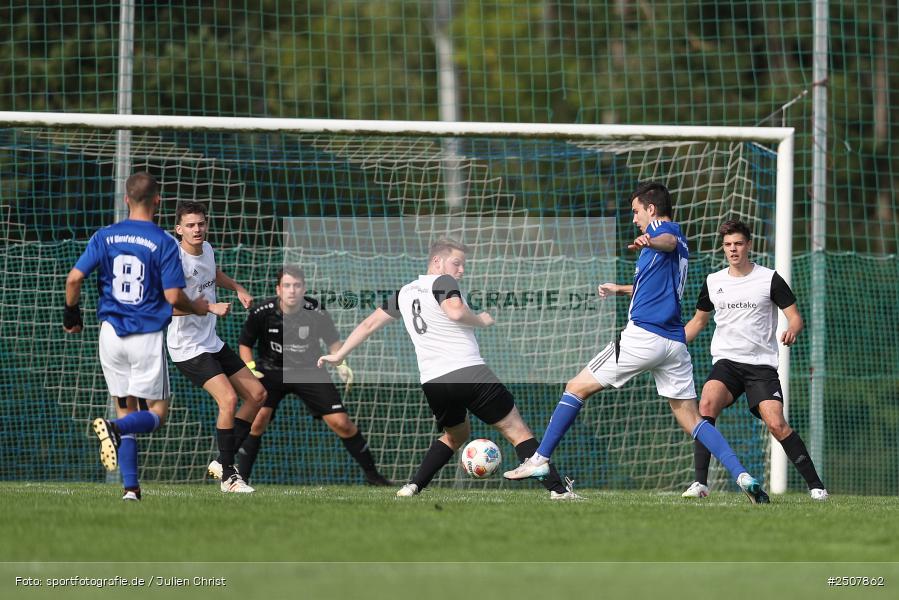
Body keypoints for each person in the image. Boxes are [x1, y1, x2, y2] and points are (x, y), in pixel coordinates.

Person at [504, 182, 770, 504]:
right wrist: (621, 288)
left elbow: (667, 241)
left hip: (644, 336)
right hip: (673, 344)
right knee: (693, 420)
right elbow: (654, 283)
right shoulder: (671, 243)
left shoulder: (665, 231)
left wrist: (651, 239)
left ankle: (540, 459)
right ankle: (742, 475)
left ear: (651, 209)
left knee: (575, 387)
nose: (634, 219)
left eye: (636, 212)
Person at [318, 238, 578, 500]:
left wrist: (339, 354)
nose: (461, 270)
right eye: (457, 263)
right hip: (468, 371)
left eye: (463, 265)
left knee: (456, 435)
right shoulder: (443, 282)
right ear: (437, 261)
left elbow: (368, 325)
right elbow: (455, 312)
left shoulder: (405, 293)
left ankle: (412, 487)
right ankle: (558, 491)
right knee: (517, 431)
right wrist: (480, 320)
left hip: (434, 382)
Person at [64, 171, 218, 501]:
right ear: (158, 201)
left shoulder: (104, 235)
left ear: (125, 199)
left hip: (110, 337)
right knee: (156, 415)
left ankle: (131, 490)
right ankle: (114, 429)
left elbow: (74, 279)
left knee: (127, 407)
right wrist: (200, 307)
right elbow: (175, 297)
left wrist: (72, 315)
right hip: (145, 337)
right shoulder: (163, 242)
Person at [681, 219, 828, 501]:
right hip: (727, 362)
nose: (733, 250)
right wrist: (671, 344)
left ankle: (817, 487)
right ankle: (700, 484)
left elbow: (795, 317)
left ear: (748, 245)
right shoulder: (714, 281)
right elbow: (698, 322)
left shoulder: (769, 278)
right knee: (706, 404)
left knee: (776, 423)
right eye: (727, 245)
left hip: (761, 366)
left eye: (738, 244)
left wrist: (792, 330)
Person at [235, 265, 391, 486]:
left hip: (310, 371)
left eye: (297, 285)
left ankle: (374, 476)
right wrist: (250, 369)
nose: (292, 290)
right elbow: (245, 344)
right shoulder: (262, 312)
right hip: (270, 371)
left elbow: (333, 343)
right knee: (258, 420)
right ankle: (240, 478)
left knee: (342, 423)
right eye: (287, 286)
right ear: (278, 289)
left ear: (304, 288)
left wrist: (342, 365)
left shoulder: (316, 311)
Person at [166, 201, 267, 493]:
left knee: (258, 395)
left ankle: (223, 463)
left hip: (210, 342)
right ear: (179, 229)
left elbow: (213, 273)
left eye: (201, 223)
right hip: (187, 348)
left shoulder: (207, 249)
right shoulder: (176, 260)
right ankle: (228, 478)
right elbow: (167, 307)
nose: (197, 229)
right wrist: (209, 307)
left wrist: (238, 288)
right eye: (190, 225)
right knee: (228, 400)